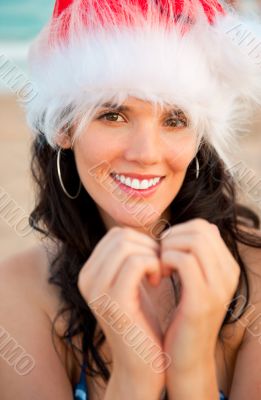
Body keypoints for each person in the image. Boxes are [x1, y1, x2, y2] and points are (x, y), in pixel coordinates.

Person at [0, 0, 261, 399]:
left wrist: (190, 365)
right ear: (65, 128)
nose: (146, 153)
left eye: (174, 120)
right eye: (113, 115)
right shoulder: (16, 291)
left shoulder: (256, 282)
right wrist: (137, 372)